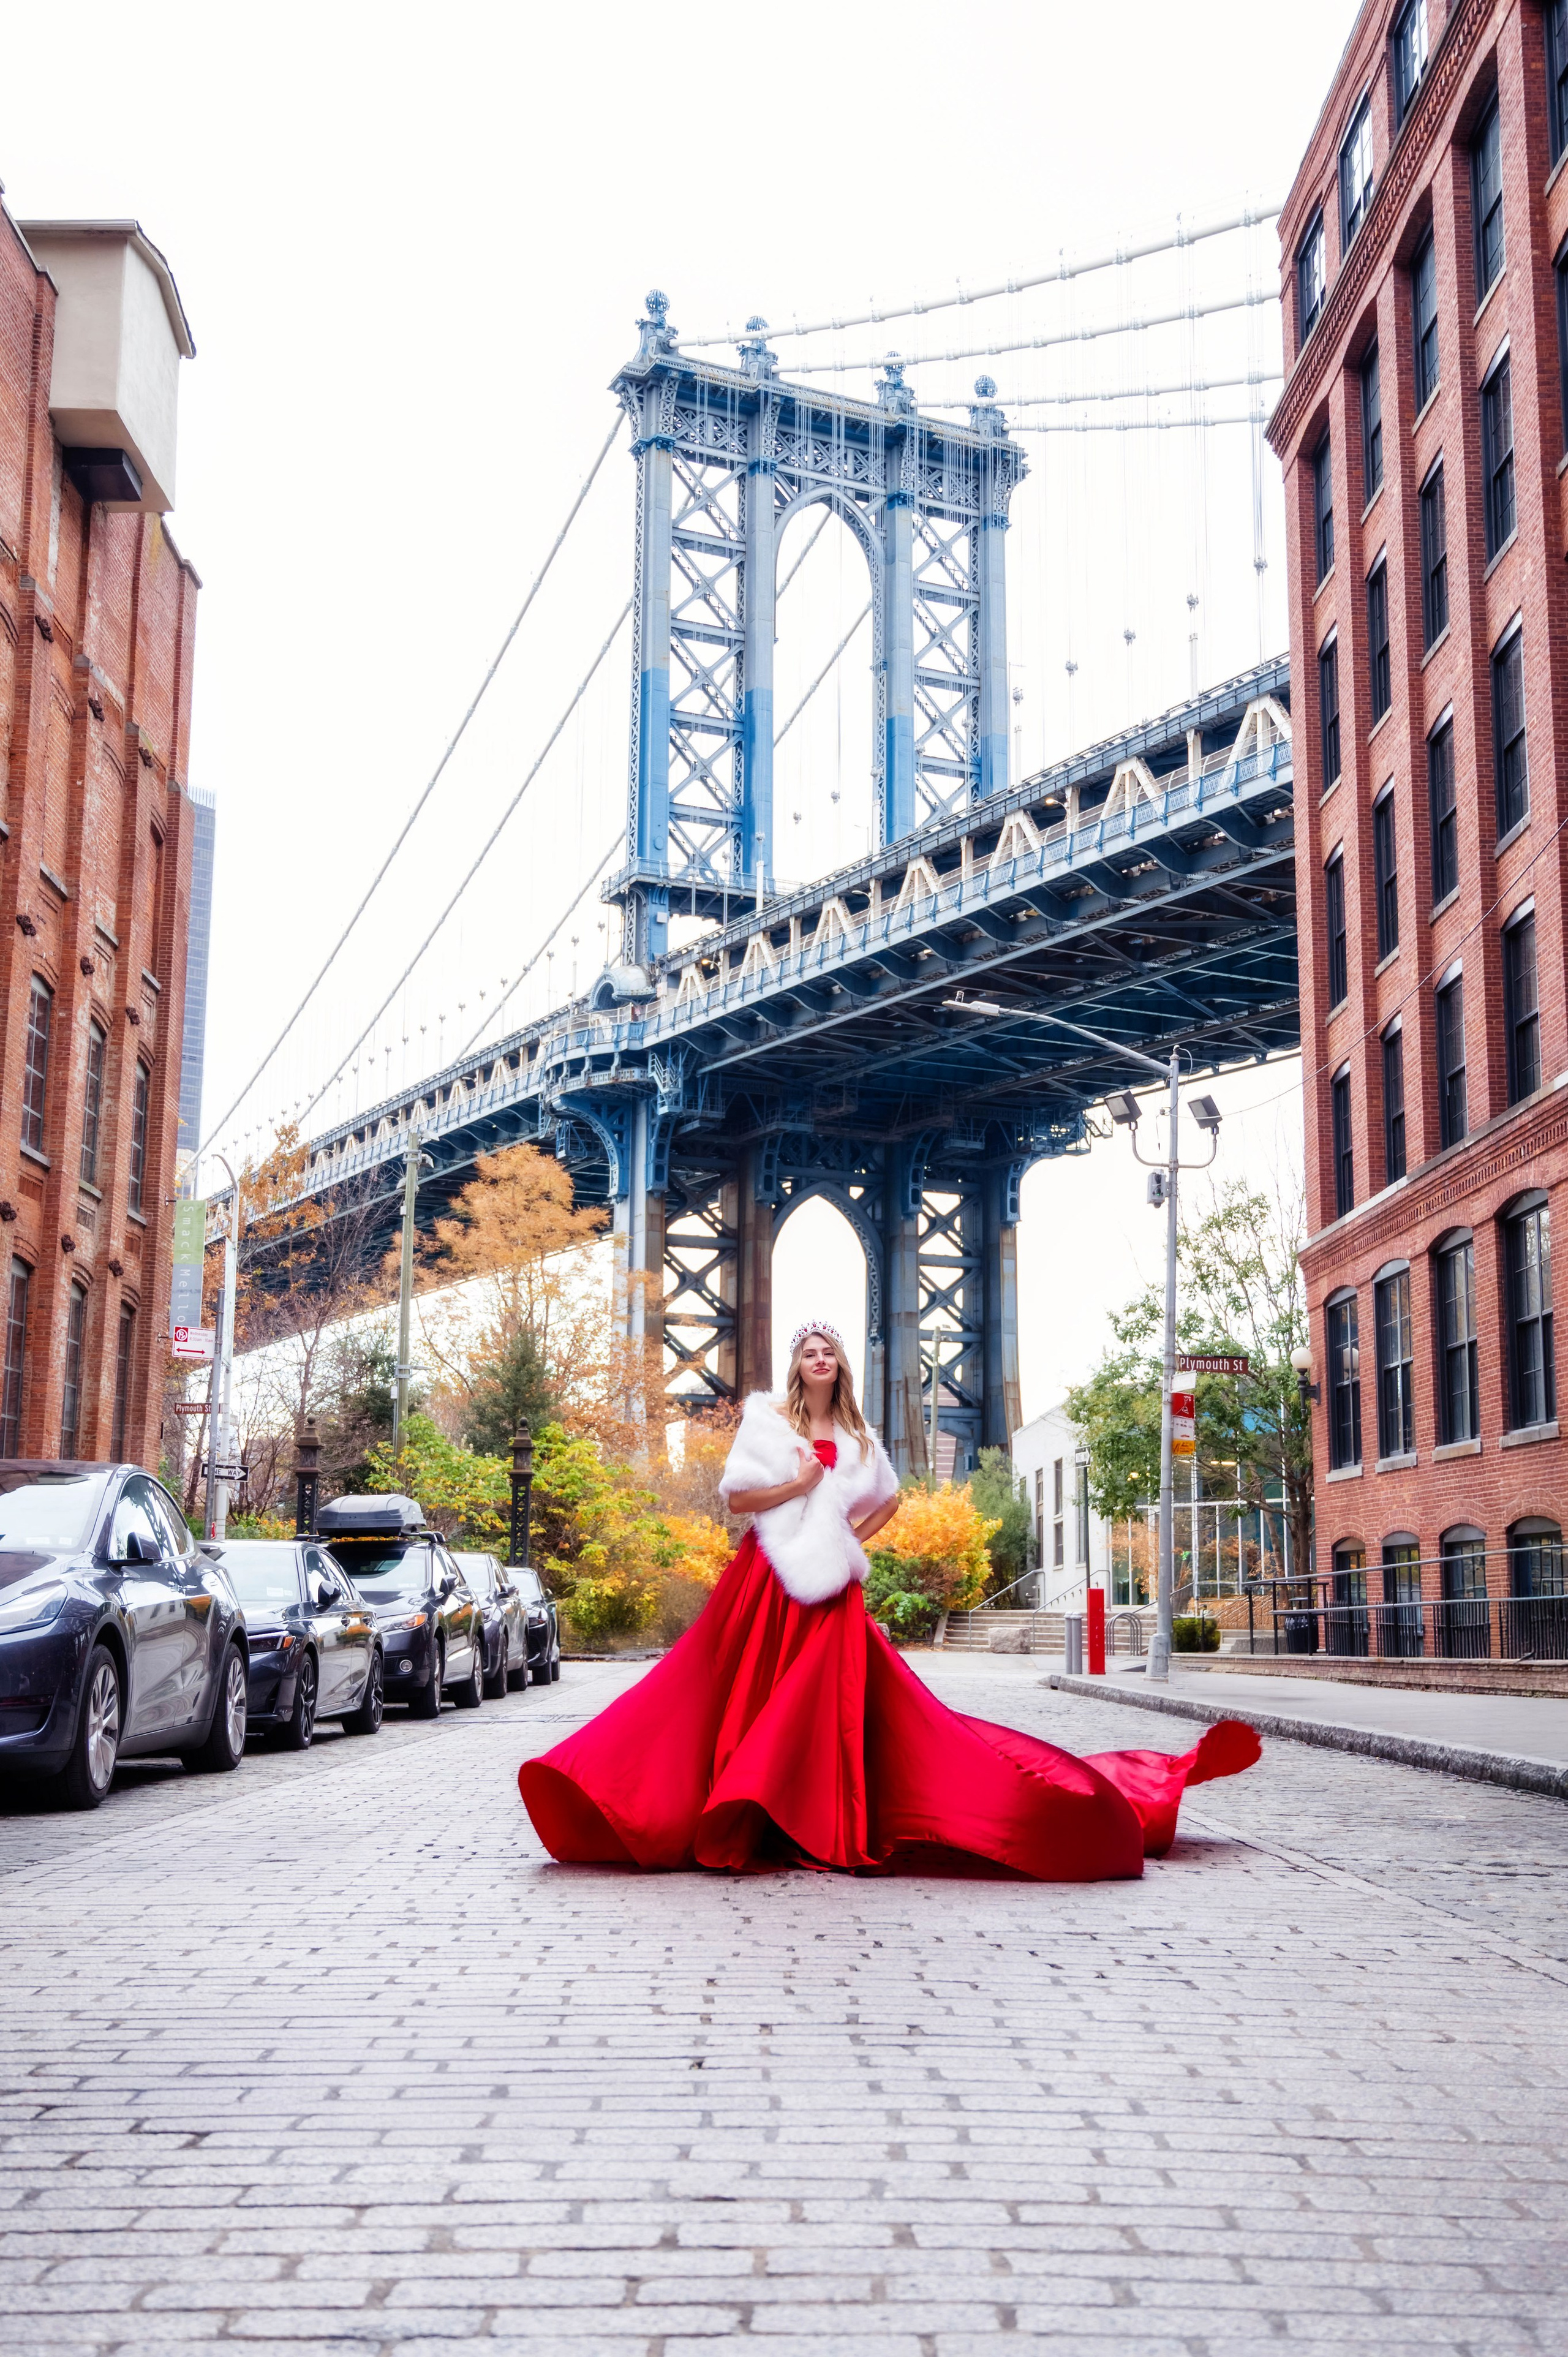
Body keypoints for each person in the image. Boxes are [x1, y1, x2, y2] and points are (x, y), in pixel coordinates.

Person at [518, 1321, 1259, 1877]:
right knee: (732, 1690)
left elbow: (891, 1501)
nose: (819, 1358)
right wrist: (801, 1489)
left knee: (830, 1705)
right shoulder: (769, 1421)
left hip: (831, 1587)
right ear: (795, 1362)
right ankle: (735, 1810)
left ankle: (822, 1821)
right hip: (768, 1576)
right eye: (808, 1348)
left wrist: (847, 1535)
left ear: (839, 1364)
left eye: (828, 1349)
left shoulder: (858, 1436)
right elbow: (740, 1495)